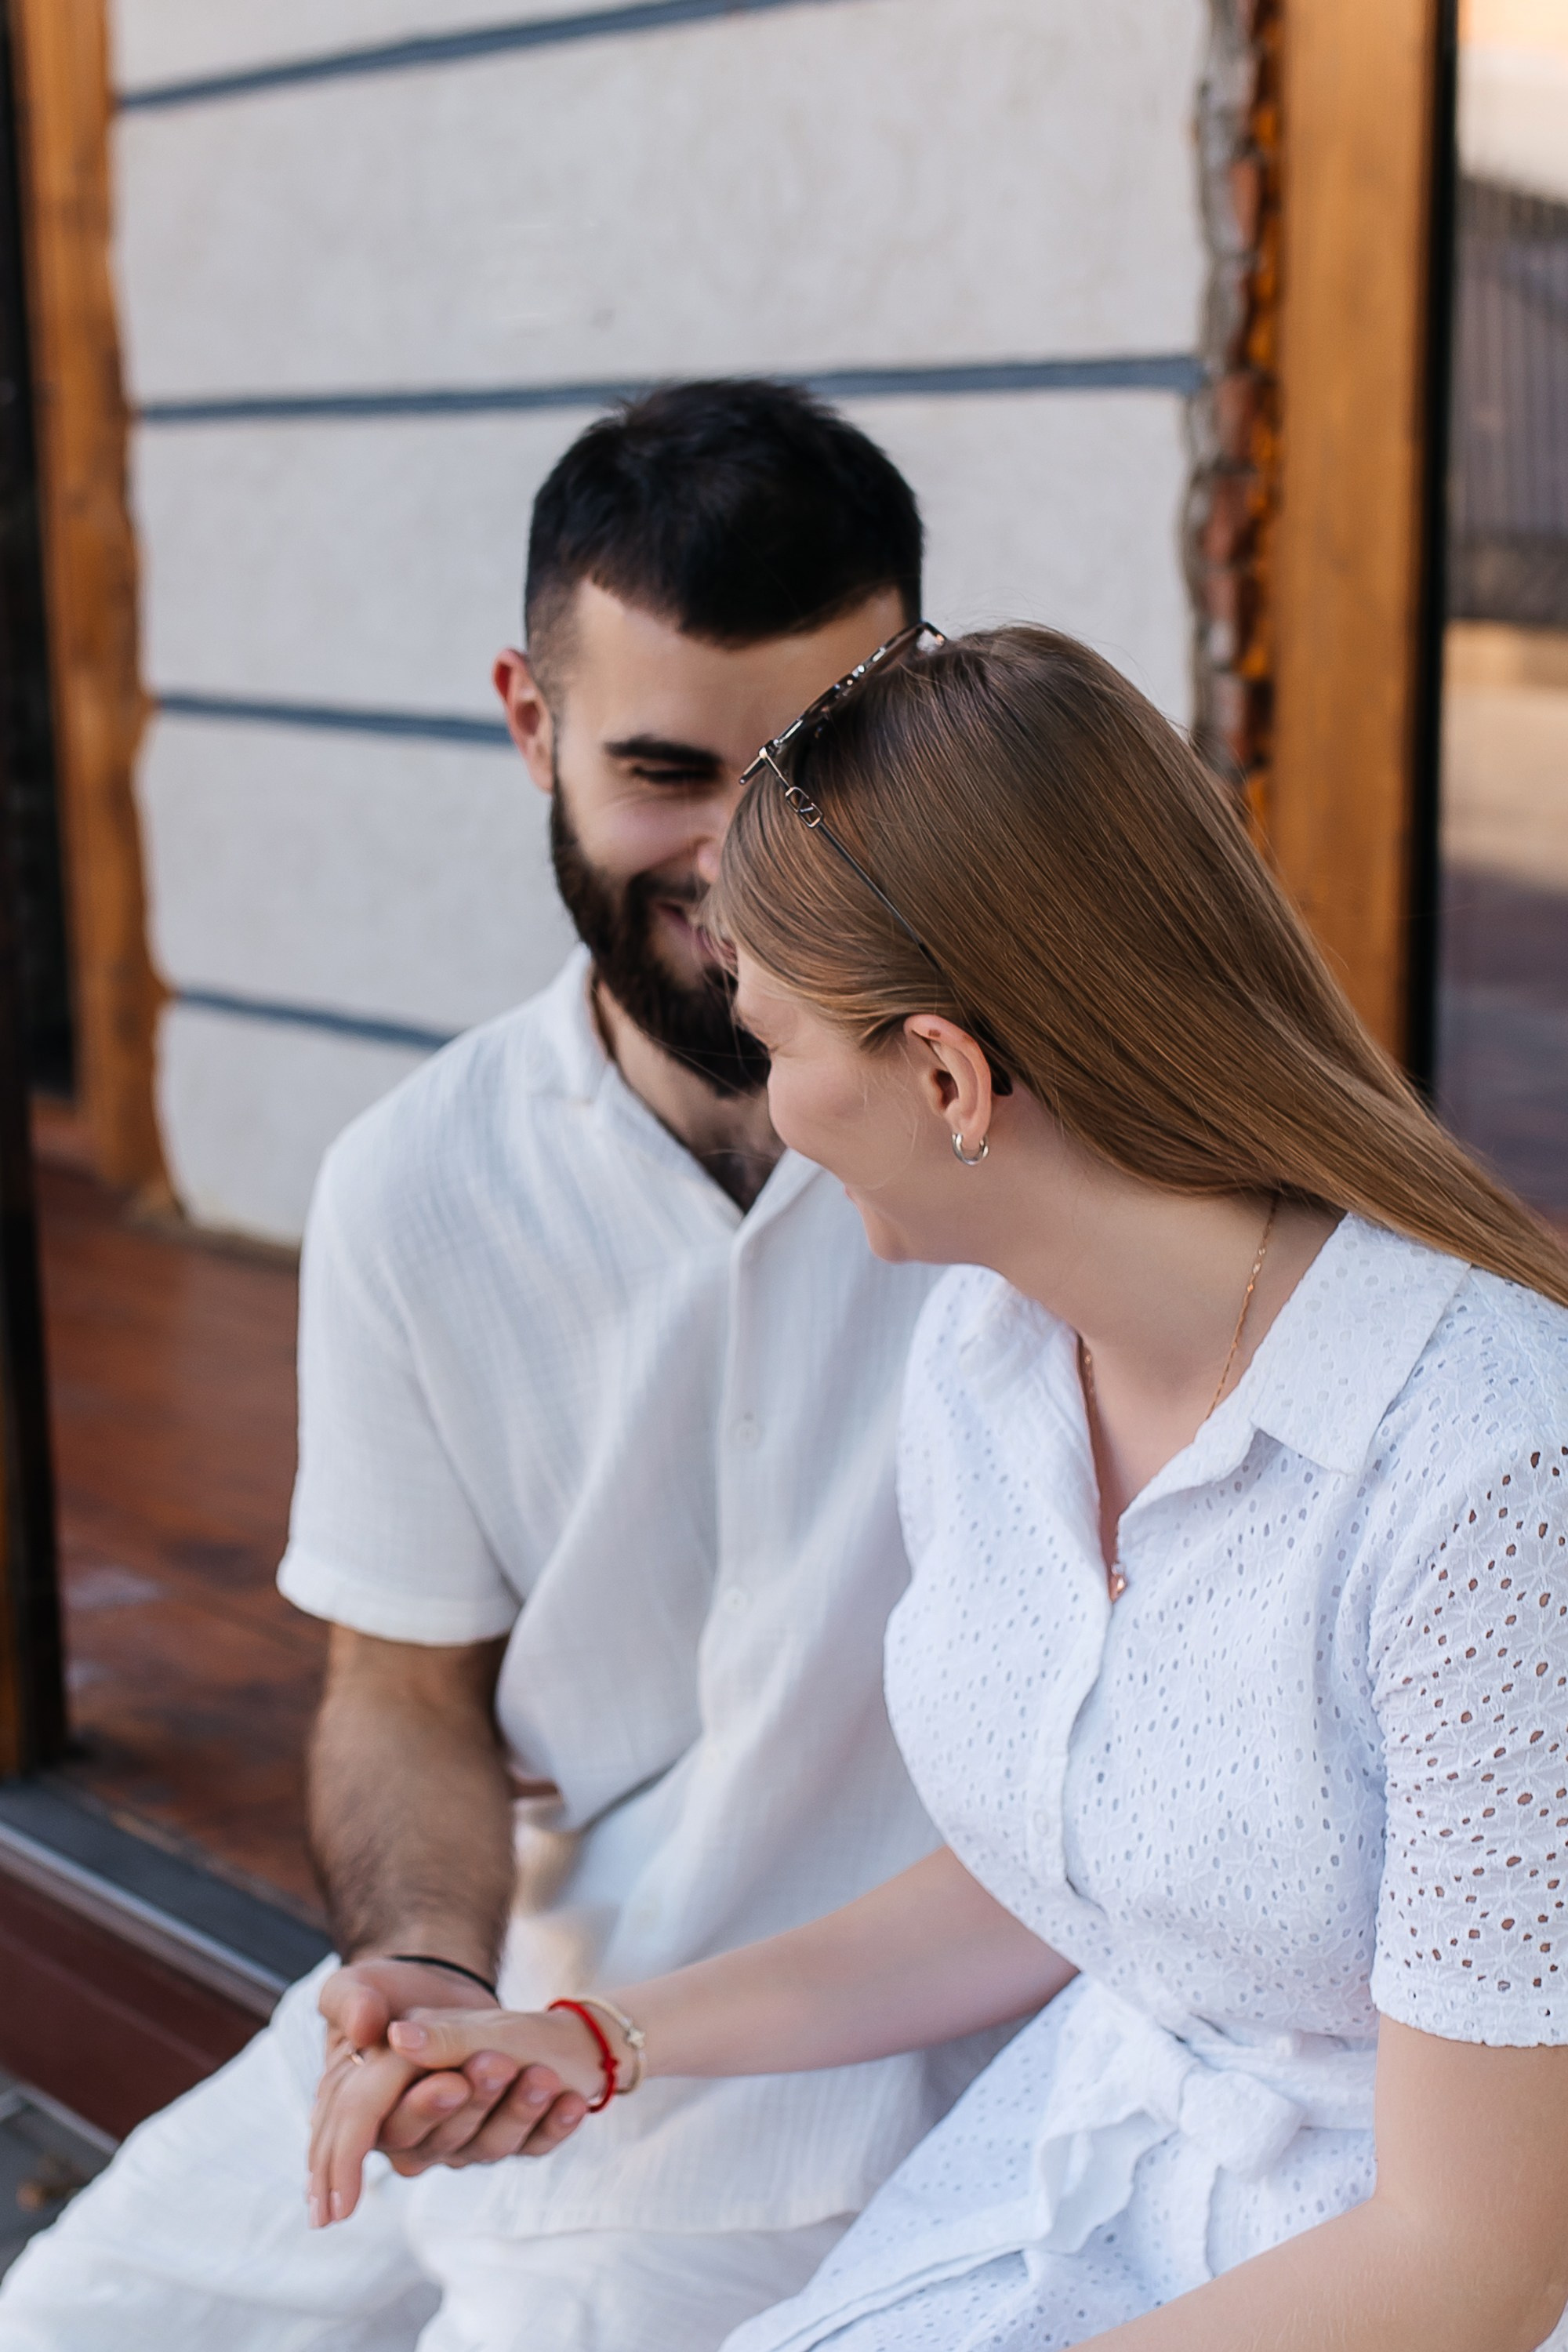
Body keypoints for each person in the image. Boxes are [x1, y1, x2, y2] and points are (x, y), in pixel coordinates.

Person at [318, 624, 1568, 2352]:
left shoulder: (1492, 1477)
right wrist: (599, 2038)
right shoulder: (988, 1359)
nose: (773, 1108)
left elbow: (1471, 2266)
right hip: (1093, 2178)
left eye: (777, 1046)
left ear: (947, 1077)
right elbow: (1074, 1870)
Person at [0, 387, 997, 2352]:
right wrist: (423, 1958)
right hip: (531, 1967)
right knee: (76, 2318)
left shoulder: (1026, 1130)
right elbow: (402, 1685)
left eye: (813, 766)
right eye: (663, 770)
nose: (745, 862)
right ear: (529, 726)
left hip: (884, 2040)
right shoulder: (413, 1185)